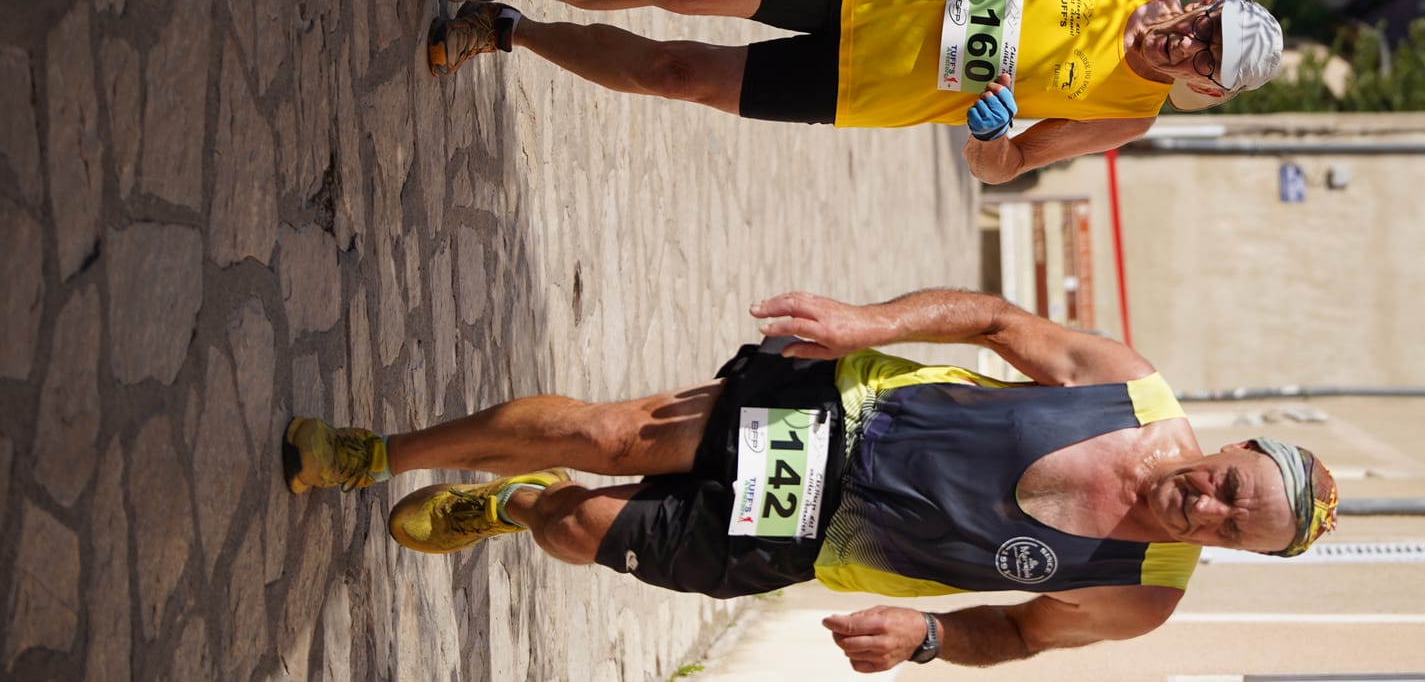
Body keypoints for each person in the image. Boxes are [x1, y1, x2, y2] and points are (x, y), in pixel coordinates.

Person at [282, 288, 1338, 672]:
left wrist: (925, 639)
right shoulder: (1129, 390)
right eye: (1222, 483)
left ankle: (508, 504)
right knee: (611, 434)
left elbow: (1015, 633)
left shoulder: (1139, 595)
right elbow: (996, 323)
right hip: (838, 416)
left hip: (805, 541)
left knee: (573, 520)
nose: (1202, 504)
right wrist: (868, 323)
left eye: (1227, 527)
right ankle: (373, 452)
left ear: (1237, 551)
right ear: (1234, 448)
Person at [406, 0, 1284, 183]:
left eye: (1206, 61)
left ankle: (507, 30)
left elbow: (1005, 169)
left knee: (677, 73)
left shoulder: (1130, 112)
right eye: (1207, 29)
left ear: (1207, 84)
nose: (1189, 46)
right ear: (1207, 5)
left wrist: (988, 137)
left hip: (868, 90)